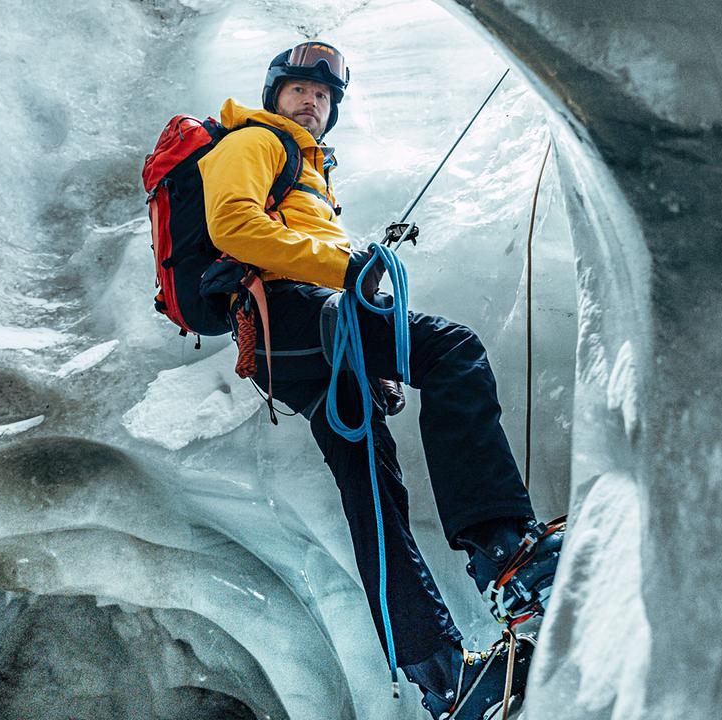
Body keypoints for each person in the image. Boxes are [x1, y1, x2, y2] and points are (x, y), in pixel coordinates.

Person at [197, 41, 562, 718]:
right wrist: (345, 269)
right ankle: (503, 550)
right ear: (274, 93)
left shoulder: (307, 169)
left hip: (295, 344)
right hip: (296, 316)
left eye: (324, 97)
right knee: (452, 351)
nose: (312, 103)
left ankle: (442, 674)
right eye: (300, 90)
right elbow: (234, 225)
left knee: (372, 490)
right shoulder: (253, 142)